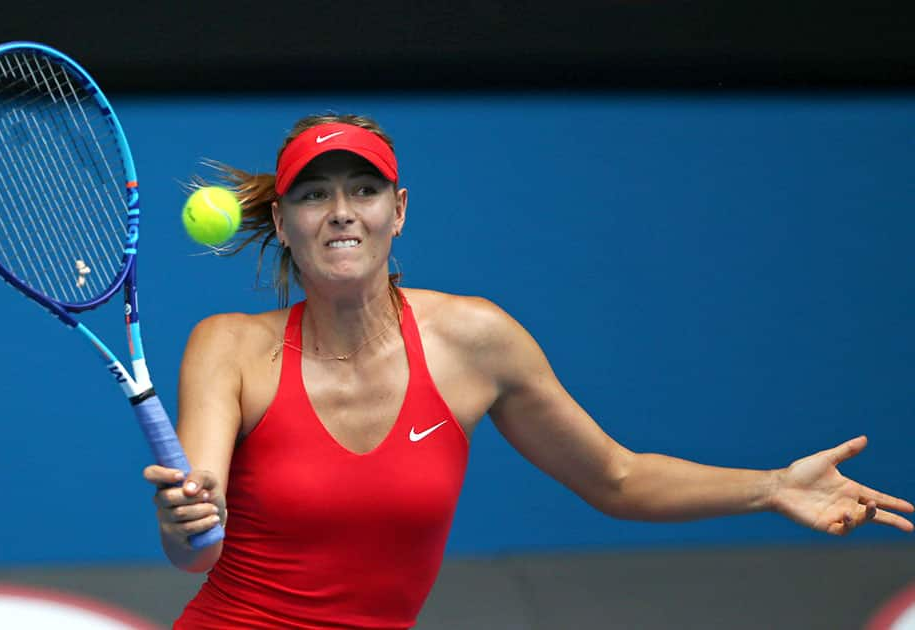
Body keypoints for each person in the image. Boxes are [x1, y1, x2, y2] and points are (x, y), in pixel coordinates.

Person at [143, 113, 913, 629]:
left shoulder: (475, 339)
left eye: (363, 189)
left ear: (398, 210)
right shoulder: (230, 346)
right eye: (313, 195)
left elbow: (615, 478)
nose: (341, 210)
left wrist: (774, 485)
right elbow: (195, 551)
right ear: (283, 223)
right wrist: (186, 523)